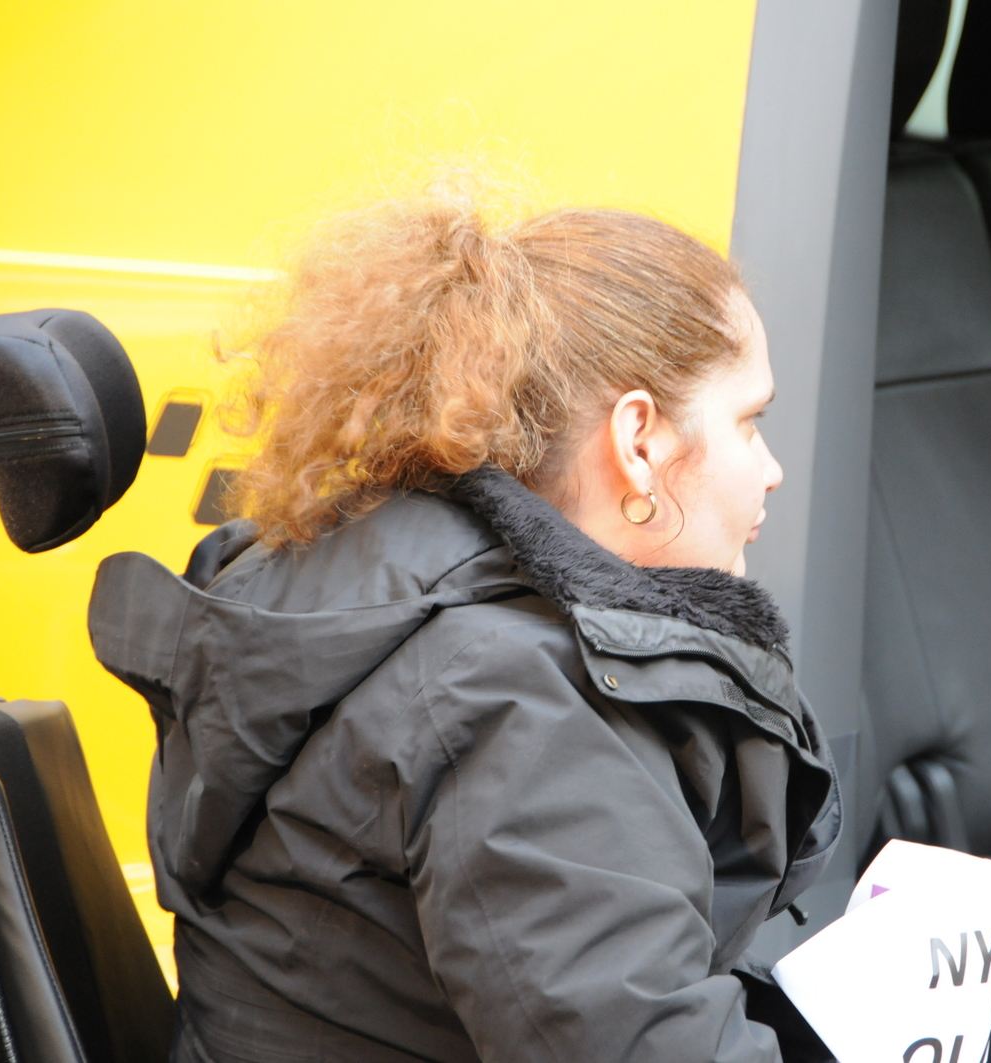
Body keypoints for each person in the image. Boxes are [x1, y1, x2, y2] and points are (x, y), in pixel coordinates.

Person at [87, 187, 840, 1063]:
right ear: (640, 442)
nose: (772, 469)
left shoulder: (425, 621)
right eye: (750, 422)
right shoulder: (516, 704)